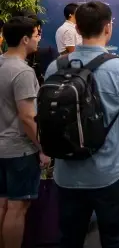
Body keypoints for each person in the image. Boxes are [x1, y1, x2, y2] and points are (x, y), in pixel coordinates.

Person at [44, 1, 119, 248]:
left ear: (77, 29)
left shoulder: (55, 67)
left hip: (67, 173)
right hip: (111, 172)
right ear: (108, 27)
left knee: (69, 240)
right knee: (115, 239)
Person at [0, 17, 48, 248]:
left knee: (2, 203)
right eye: (36, 34)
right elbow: (27, 117)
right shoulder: (23, 72)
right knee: (17, 207)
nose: (39, 39)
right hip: (19, 150)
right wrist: (43, 147)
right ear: (25, 39)